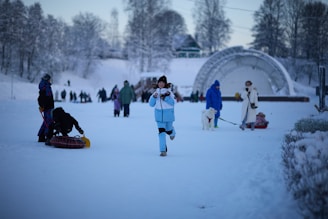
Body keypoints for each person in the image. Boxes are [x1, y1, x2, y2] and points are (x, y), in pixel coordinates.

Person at [149, 76, 176, 157]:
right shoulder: (155, 93)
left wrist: (166, 98)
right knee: (161, 133)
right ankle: (163, 150)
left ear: (165, 84)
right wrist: (154, 97)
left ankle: (172, 132)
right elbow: (151, 104)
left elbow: (173, 102)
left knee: (168, 130)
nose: (161, 84)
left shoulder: (169, 92)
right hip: (159, 117)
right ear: (158, 83)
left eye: (162, 82)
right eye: (159, 82)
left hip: (168, 117)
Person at [37, 73, 54, 142]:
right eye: (49, 79)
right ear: (47, 79)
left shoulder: (44, 86)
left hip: (47, 107)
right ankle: (47, 136)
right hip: (48, 107)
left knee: (46, 121)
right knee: (49, 121)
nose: (50, 81)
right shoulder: (46, 86)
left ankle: (41, 136)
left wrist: (42, 106)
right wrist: (43, 106)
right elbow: (46, 98)